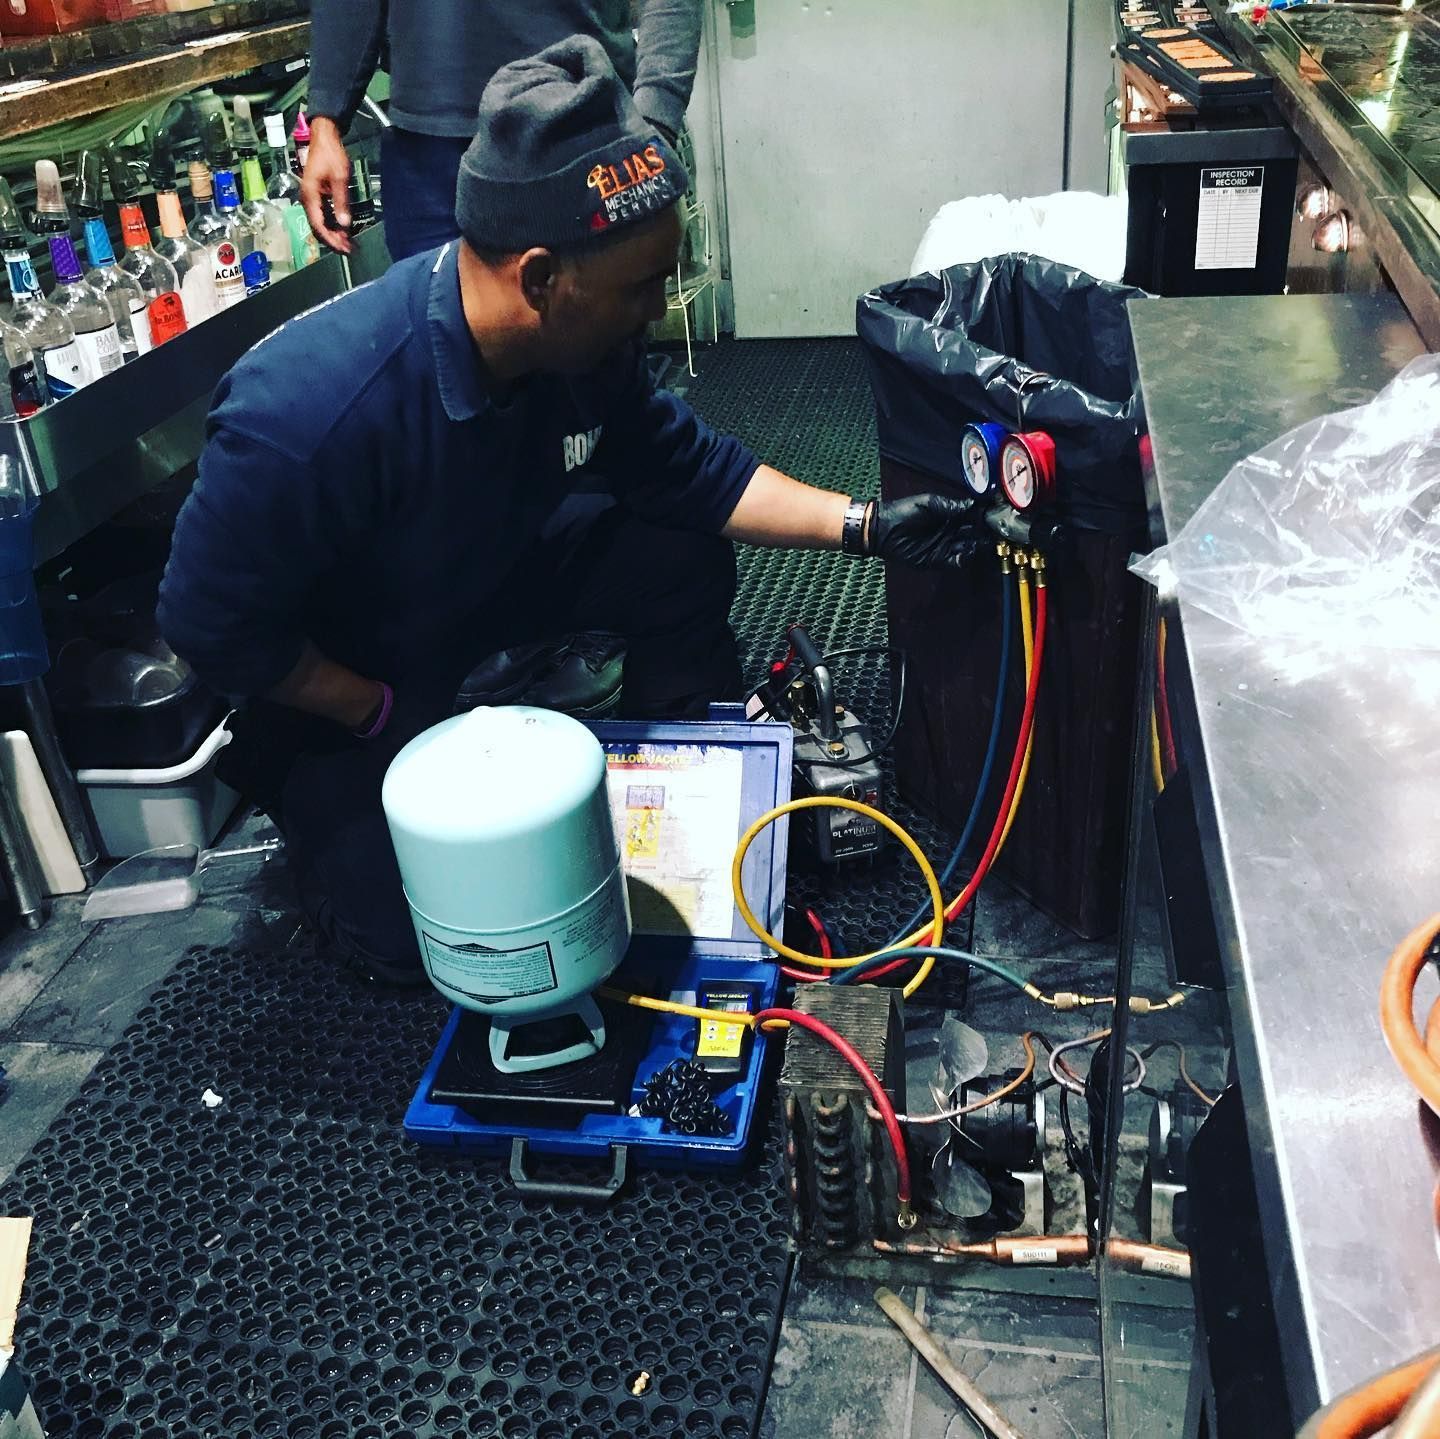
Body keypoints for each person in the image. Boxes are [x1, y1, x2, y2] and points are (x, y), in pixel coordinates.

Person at [158, 38, 989, 985]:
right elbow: (203, 623)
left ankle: (677, 774)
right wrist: (370, 706)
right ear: (543, 280)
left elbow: (694, 474)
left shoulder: (582, 349)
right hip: (363, 672)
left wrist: (869, 525)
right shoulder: (305, 411)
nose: (658, 308)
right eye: (641, 288)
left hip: (482, 580)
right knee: (421, 945)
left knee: (675, 547)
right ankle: (333, 832)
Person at [304, 0, 702, 261]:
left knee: (592, 371)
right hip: (428, 152)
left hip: (576, 135)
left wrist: (657, 118)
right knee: (438, 365)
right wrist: (327, 118)